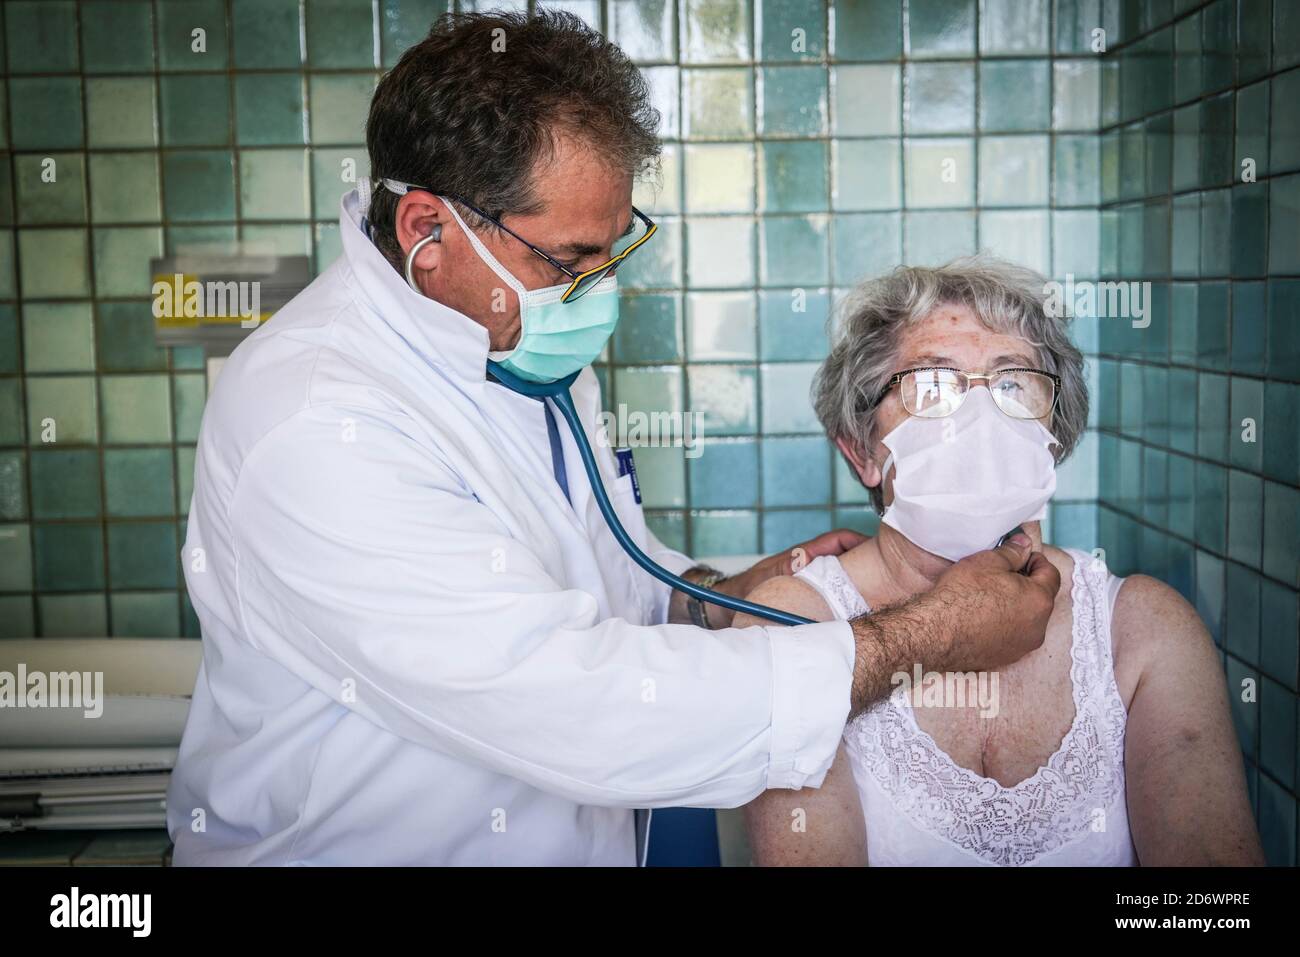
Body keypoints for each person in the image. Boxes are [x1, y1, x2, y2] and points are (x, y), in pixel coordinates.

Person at [166, 11, 1059, 866]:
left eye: (612, 249)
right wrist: (927, 638)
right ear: (426, 232)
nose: (597, 290)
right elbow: (573, 703)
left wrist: (706, 597)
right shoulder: (319, 423)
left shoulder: (517, 347)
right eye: (569, 260)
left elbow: (586, 566)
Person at [739, 256, 1264, 866]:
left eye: (1013, 382)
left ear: (1055, 430)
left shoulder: (1145, 630)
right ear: (863, 452)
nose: (979, 415)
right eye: (933, 386)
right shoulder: (792, 624)